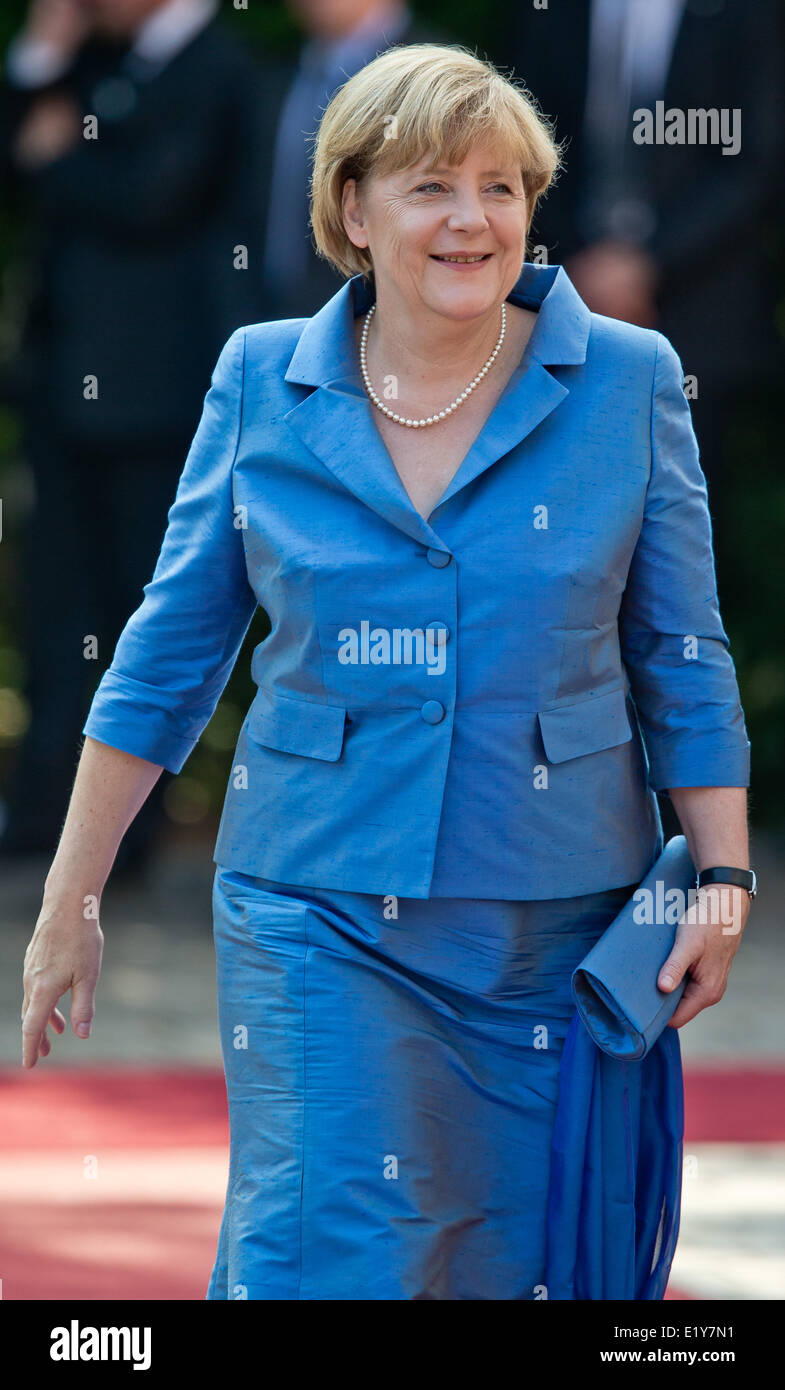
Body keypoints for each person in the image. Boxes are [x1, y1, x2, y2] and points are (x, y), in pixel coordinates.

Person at [22, 45, 754, 1301]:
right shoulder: (262, 376)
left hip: (551, 922)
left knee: (515, 1265)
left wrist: (723, 879)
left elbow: (679, 653)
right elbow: (168, 650)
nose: (472, 218)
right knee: (332, 1255)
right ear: (350, 210)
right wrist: (71, 897)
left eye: (500, 186)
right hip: (317, 905)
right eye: (429, 187)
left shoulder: (625, 379)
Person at [0, 0, 269, 868]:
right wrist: (42, 52)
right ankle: (42, 811)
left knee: (139, 606)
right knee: (56, 600)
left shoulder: (221, 68)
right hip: (63, 386)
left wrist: (57, 154)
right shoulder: (92, 62)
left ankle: (129, 832)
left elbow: (153, 193)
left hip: (157, 396)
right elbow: (15, 149)